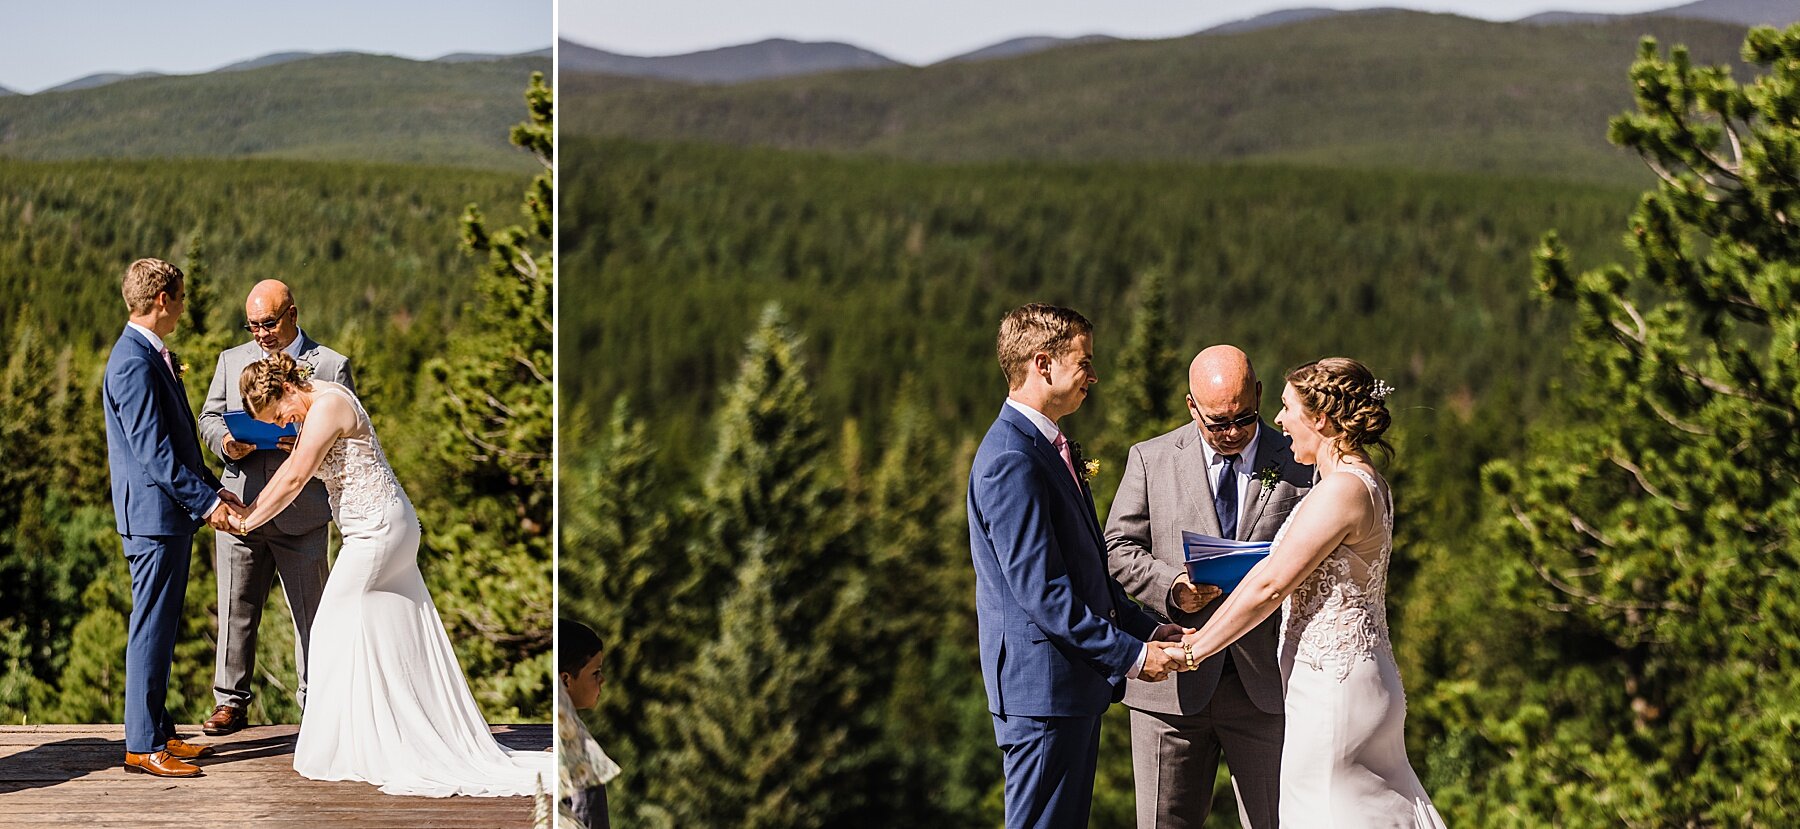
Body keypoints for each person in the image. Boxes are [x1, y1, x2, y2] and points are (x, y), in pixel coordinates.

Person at [228, 353, 552, 796]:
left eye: (280, 415)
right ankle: (394, 736)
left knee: (327, 630)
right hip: (385, 526)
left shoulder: (327, 405)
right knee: (389, 633)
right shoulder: (317, 406)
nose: (283, 424)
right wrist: (298, 449)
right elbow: (318, 461)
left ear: (288, 388)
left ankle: (348, 747)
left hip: (376, 532)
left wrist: (246, 520)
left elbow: (293, 478)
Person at [1175, 358, 1444, 826]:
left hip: (1334, 692)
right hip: (1348, 678)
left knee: (1325, 810)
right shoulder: (1361, 482)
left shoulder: (1342, 490)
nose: (1277, 421)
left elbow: (1270, 584)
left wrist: (1193, 649)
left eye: (1286, 407)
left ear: (1319, 419)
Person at [967, 303, 1186, 829]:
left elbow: (1089, 577)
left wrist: (1153, 628)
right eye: (1084, 362)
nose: (1094, 375)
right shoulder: (1010, 459)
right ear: (1043, 364)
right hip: (1042, 694)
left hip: (1067, 691)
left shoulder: (1044, 447)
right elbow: (1044, 592)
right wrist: (1133, 657)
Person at [1105, 345, 1311, 829]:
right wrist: (1171, 587)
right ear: (1191, 406)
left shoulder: (1300, 459)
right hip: (1171, 692)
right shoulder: (1150, 459)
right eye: (1218, 423)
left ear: (1259, 395)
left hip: (1265, 685)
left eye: (1244, 417)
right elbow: (1117, 547)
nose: (1233, 433)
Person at [102, 257, 240, 778]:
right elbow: (156, 455)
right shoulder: (133, 361)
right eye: (180, 297)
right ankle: (141, 745)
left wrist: (216, 489)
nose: (183, 307)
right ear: (163, 300)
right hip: (153, 518)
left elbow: (179, 445)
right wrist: (207, 506)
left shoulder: (144, 353)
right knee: (150, 628)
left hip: (166, 515)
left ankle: (159, 729)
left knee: (161, 625)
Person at [198, 279, 353, 734]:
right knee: (234, 608)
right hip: (241, 500)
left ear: (293, 314)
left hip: (302, 511)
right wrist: (227, 443)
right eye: (252, 326)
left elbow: (345, 430)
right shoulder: (231, 361)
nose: (260, 334)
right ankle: (229, 702)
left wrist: (304, 444)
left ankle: (316, 704)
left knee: (312, 614)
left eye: (267, 323)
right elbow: (208, 418)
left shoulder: (329, 363)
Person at [557, 618, 620, 829]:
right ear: (566, 680)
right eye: (595, 672)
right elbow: (588, 811)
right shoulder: (574, 740)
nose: (602, 679)